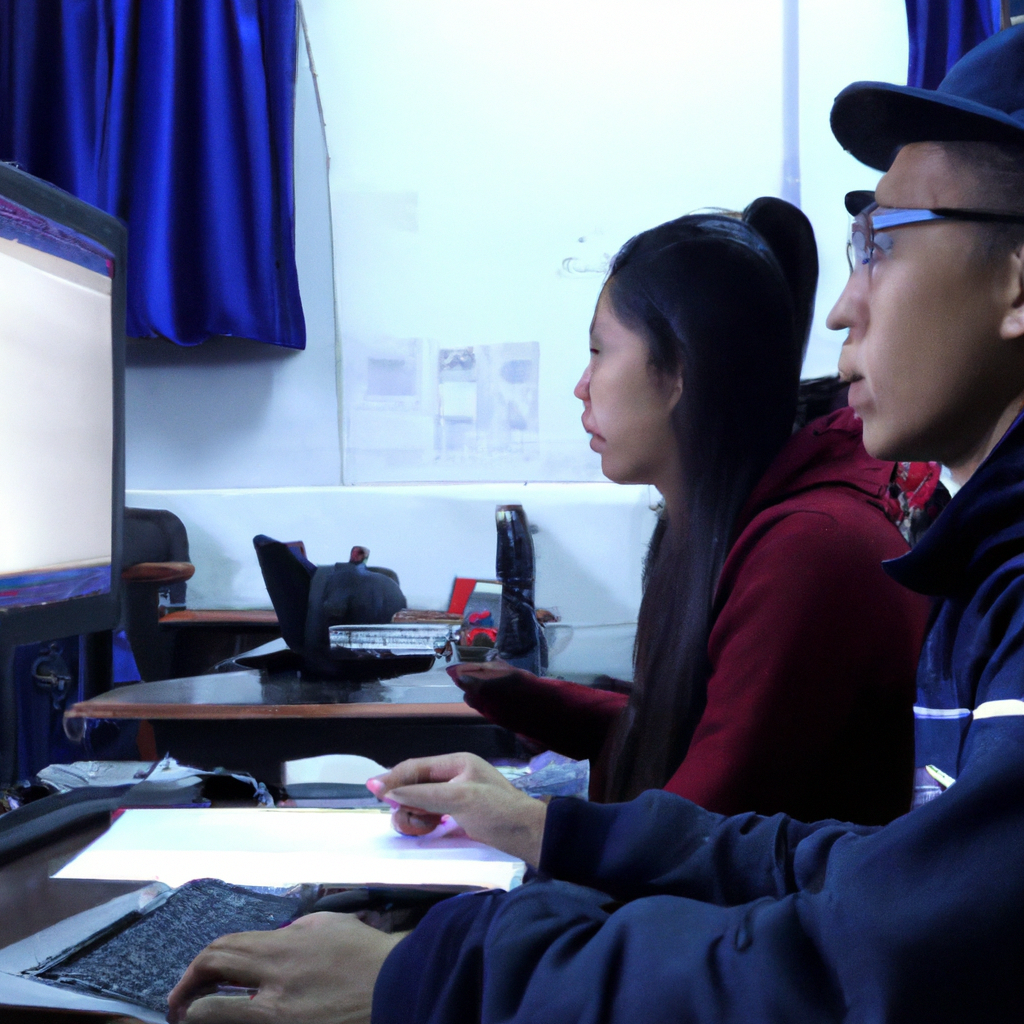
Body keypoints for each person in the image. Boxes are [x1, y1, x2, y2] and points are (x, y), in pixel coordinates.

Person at [169, 24, 1024, 1024]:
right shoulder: (965, 566)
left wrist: (431, 973)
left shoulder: (820, 551)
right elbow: (864, 874)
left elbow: (859, 962)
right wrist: (544, 824)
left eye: (879, 245)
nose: (841, 308)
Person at [450, 200, 929, 825]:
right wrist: (544, 705)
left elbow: (689, 836)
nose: (581, 384)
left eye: (598, 351)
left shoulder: (812, 552)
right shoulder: (705, 528)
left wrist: (517, 822)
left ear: (678, 373)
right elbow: (706, 737)